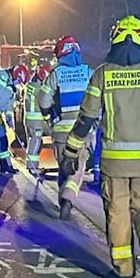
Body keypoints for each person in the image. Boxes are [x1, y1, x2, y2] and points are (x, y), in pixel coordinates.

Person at [61, 17, 140, 278]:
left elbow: (86, 120)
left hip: (114, 163)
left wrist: (71, 150)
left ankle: (123, 271)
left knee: (118, 214)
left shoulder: (102, 74)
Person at [39, 35, 93, 220]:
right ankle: (68, 198)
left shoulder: (56, 73)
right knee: (78, 168)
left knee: (64, 166)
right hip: (82, 130)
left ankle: (63, 199)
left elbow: (44, 99)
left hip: (61, 131)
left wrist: (48, 117)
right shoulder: (88, 72)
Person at [22, 64, 50, 174]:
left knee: (33, 141)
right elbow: (46, 102)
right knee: (35, 142)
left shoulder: (30, 85)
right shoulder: (40, 89)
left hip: (29, 119)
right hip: (36, 121)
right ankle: (33, 168)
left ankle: (33, 166)